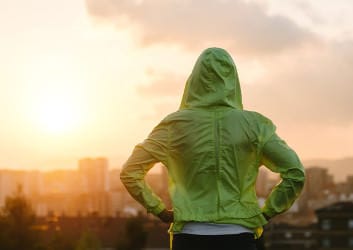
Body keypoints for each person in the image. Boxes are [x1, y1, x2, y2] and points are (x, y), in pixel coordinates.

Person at [120, 47, 305, 250]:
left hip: (189, 238)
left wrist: (160, 210)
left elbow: (130, 172)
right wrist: (266, 213)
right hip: (240, 237)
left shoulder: (174, 125)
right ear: (233, 80)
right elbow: (295, 173)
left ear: (193, 81)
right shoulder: (254, 125)